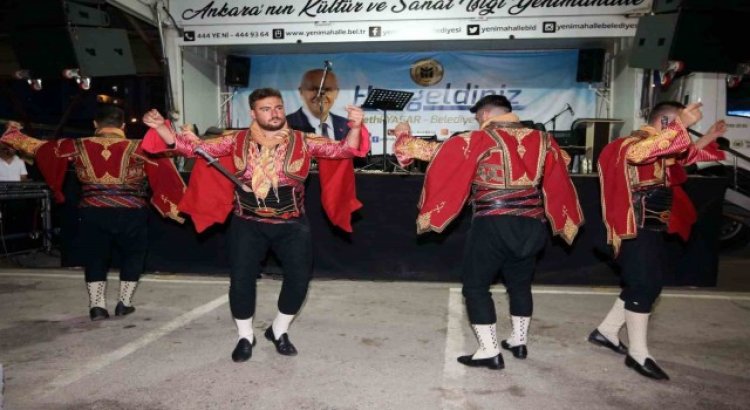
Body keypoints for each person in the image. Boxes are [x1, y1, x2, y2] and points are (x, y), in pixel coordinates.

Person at [142, 88, 369, 363]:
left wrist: (355, 127)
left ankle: (279, 330)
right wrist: (160, 128)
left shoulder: (305, 141)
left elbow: (345, 150)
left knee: (298, 281)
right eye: (265, 109)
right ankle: (245, 336)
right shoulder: (235, 141)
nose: (273, 114)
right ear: (253, 113)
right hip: (247, 223)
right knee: (241, 281)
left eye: (278, 107)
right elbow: (192, 148)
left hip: (292, 225)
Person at [393, 94, 583, 370]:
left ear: (484, 115)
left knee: (476, 285)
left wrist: (403, 135)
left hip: (493, 222)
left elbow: (433, 152)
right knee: (519, 283)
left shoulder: (481, 139)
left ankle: (489, 350)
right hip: (533, 223)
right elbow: (563, 161)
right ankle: (518, 342)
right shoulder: (544, 140)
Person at [1, 105, 185, 320]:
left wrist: (13, 133)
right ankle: (124, 304)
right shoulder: (139, 146)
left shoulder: (77, 145)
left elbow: (38, 148)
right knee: (133, 256)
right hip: (131, 211)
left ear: (95, 124)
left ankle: (97, 306)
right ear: (123, 126)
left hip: (93, 210)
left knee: (95, 257)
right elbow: (176, 149)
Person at [590, 101, 725, 381]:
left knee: (641, 281)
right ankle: (638, 354)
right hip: (632, 226)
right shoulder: (632, 143)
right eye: (675, 124)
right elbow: (641, 154)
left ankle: (606, 331)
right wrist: (682, 126)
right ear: (665, 123)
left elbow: (683, 157)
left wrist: (708, 136)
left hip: (650, 225)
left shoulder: (660, 145)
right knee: (646, 284)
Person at [286, 69, 350, 141]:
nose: (320, 96)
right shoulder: (285, 125)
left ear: (336, 93)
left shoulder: (348, 126)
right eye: (314, 89)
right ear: (301, 92)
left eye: (327, 89)